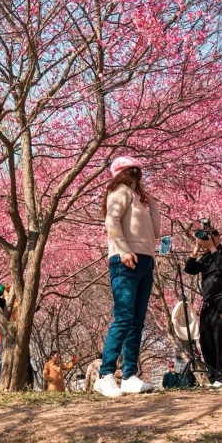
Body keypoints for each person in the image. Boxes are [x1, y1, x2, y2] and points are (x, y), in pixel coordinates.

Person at [94, 155, 161, 398]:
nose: (136, 174)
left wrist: (152, 205)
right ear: (122, 173)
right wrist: (122, 250)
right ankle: (105, 375)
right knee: (123, 317)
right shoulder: (119, 191)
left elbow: (156, 232)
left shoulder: (137, 200)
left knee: (137, 321)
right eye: (132, 170)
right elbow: (111, 221)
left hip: (145, 260)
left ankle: (130, 375)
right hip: (125, 260)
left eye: (137, 171)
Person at [184, 222, 222, 388]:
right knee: (206, 339)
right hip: (208, 303)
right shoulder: (206, 257)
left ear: (218, 237)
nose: (207, 239)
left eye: (210, 236)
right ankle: (214, 376)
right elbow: (190, 269)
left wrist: (212, 248)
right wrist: (196, 249)